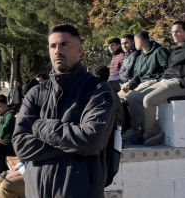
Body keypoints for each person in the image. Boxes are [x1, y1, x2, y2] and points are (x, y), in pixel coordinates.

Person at [13, 24, 115, 198]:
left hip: (80, 192)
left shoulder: (97, 89)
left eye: (64, 45)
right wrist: (75, 142)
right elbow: (21, 146)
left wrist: (39, 126)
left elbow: (91, 139)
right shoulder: (36, 92)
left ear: (79, 50)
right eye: (53, 46)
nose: (57, 50)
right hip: (38, 191)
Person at [135, 20, 185, 145]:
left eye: (178, 31)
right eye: (173, 32)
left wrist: (184, 82)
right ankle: (149, 127)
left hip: (179, 84)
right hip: (166, 81)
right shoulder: (175, 51)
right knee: (135, 97)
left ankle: (149, 132)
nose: (174, 34)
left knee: (149, 100)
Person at [120, 31, 169, 143]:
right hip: (142, 84)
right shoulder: (140, 57)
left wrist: (159, 81)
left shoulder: (160, 51)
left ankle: (138, 128)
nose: (134, 45)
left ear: (140, 43)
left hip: (154, 81)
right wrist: (129, 85)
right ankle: (124, 128)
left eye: (135, 42)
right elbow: (137, 76)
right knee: (117, 96)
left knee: (132, 96)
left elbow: (168, 70)